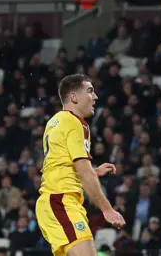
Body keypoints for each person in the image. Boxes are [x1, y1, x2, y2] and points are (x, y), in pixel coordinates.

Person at [35, 74, 125, 256]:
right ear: (74, 97)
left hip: (53, 201)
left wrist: (93, 171)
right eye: (90, 91)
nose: (95, 97)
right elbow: (83, 171)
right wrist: (106, 209)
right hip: (61, 200)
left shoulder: (55, 121)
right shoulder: (76, 123)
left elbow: (60, 162)